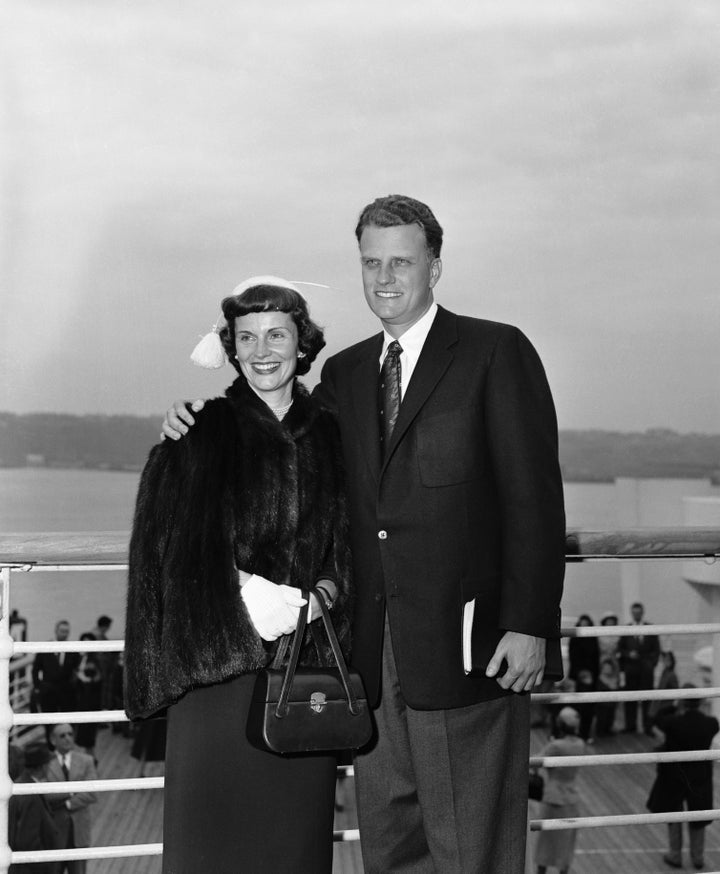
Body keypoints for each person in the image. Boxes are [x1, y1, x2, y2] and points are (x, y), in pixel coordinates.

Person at [163, 195, 566, 873]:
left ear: (434, 266)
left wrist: (529, 625)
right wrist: (197, 427)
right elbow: (281, 444)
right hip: (369, 663)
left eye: (401, 262)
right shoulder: (345, 373)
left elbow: (535, 501)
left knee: (474, 854)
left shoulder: (496, 352)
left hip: (468, 653)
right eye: (371, 262)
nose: (385, 277)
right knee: (391, 851)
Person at [125, 277, 352, 874]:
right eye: (246, 337)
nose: (262, 350)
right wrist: (244, 591)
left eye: (277, 334)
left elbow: (354, 548)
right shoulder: (199, 431)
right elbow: (165, 546)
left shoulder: (335, 434)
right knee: (210, 850)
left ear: (303, 342)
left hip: (302, 673)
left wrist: (321, 597)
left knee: (291, 850)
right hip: (212, 676)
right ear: (229, 347)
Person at [647, 686, 720, 869]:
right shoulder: (711, 723)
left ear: (682, 701)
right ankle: (698, 857)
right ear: (701, 702)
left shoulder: (672, 722)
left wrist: (672, 705)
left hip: (674, 774)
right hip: (700, 775)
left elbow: (655, 720)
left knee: (673, 814)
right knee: (698, 817)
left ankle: (675, 855)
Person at [533, 707, 586, 874]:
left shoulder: (556, 746)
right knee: (566, 844)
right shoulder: (580, 744)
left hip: (553, 798)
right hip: (572, 798)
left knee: (545, 844)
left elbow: (535, 762)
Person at [45, 724, 98, 874]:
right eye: (62, 735)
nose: (68, 738)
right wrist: (74, 790)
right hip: (54, 831)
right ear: (53, 740)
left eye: (70, 734)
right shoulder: (46, 764)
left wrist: (66, 803)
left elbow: (92, 793)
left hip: (79, 831)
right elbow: (44, 795)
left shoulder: (86, 761)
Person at [8, 742, 60, 873]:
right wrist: (47, 868)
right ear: (43, 766)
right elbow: (27, 842)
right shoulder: (30, 794)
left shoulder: (21, 784)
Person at [618, 602, 660, 734]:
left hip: (646, 670)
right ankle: (631, 726)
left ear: (642, 613)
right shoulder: (626, 629)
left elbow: (656, 649)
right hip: (631, 669)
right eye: (634, 612)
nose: (636, 614)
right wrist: (628, 654)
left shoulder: (651, 628)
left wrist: (651, 664)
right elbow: (620, 648)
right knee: (630, 699)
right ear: (632, 613)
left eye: (638, 612)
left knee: (647, 698)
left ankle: (647, 727)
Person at [32, 621, 80, 730]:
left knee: (68, 723)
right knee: (49, 724)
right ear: (56, 631)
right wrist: (38, 687)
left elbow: (77, 670)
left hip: (67, 693)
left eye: (67, 631)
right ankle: (51, 745)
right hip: (48, 693)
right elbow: (35, 669)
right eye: (62, 631)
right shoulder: (45, 648)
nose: (64, 634)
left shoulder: (73, 650)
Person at [568, 615, 599, 742]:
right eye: (582, 623)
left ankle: (584, 733)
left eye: (586, 623)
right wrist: (579, 674)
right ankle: (576, 732)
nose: (584, 625)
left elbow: (596, 658)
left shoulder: (593, 638)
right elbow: (573, 658)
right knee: (578, 707)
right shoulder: (575, 639)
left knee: (588, 708)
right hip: (579, 677)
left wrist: (593, 676)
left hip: (591, 677)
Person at [73, 632, 103, 758]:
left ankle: (90, 760)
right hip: (80, 700)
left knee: (87, 734)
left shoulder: (94, 661)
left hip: (90, 702)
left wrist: (82, 677)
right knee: (82, 733)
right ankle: (90, 759)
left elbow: (97, 679)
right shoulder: (80, 658)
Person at [87, 615, 117, 711]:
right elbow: (99, 654)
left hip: (100, 668)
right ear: (105, 626)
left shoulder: (96, 634)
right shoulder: (97, 635)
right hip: (99, 669)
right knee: (102, 691)